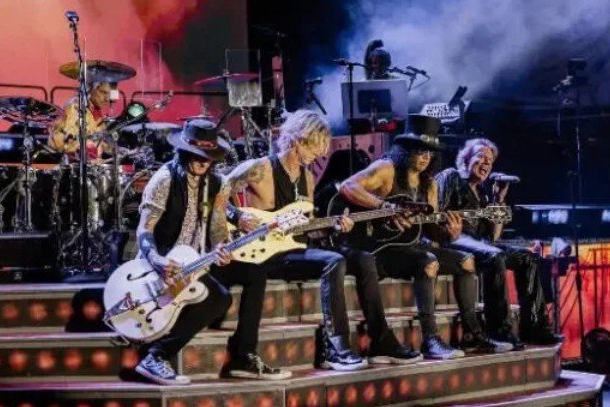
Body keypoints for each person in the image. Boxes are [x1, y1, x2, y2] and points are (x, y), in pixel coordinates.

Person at [225, 110, 422, 371]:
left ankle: (382, 341)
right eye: (313, 148)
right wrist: (237, 216)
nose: (316, 157)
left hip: (295, 248)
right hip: (266, 254)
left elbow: (307, 228)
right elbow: (217, 191)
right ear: (297, 140)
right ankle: (335, 347)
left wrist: (334, 228)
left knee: (363, 259)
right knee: (333, 261)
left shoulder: (306, 177)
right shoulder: (261, 168)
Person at [339, 114, 513, 358]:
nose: (425, 157)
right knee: (428, 261)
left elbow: (432, 231)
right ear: (406, 150)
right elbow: (347, 186)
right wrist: (385, 207)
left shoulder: (429, 184)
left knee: (466, 261)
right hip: (380, 248)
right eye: (420, 150)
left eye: (430, 152)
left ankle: (473, 334)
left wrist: (450, 233)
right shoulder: (387, 169)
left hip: (409, 246)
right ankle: (431, 340)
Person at [133, 119, 290, 385]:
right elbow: (144, 229)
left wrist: (222, 247)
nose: (203, 162)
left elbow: (218, 228)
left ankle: (243, 356)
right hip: (166, 263)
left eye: (208, 156)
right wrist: (157, 260)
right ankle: (156, 355)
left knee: (255, 271)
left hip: (200, 260)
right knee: (219, 299)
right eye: (196, 155)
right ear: (184, 151)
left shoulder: (218, 183)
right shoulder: (164, 179)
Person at [436, 138, 563, 345]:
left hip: (480, 242)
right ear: (466, 158)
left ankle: (535, 327)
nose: (486, 162)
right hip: (455, 238)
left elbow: (494, 237)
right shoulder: (451, 176)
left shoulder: (483, 193)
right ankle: (499, 330)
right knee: (494, 255)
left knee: (527, 257)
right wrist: (445, 231)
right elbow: (436, 212)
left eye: (490, 160)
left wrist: (499, 200)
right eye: (481, 156)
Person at [48, 81, 114, 156]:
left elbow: (97, 140)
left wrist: (109, 147)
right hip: (71, 160)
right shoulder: (75, 107)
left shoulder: (98, 113)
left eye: (109, 94)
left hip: (91, 161)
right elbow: (61, 141)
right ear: (91, 89)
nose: (107, 99)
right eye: (103, 92)